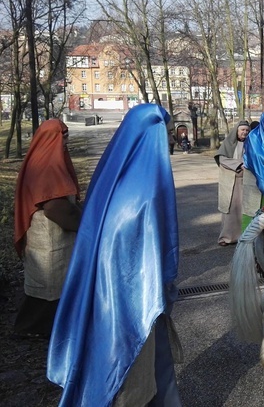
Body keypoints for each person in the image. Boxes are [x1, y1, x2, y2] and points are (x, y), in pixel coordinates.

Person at [48, 104, 182, 406]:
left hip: (104, 297)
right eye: (167, 134)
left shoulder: (112, 177)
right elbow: (150, 257)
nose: (171, 141)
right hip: (133, 303)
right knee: (135, 375)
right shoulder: (144, 192)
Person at [13, 119, 82, 339]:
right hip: (50, 239)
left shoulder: (41, 159)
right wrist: (84, 224)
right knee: (50, 290)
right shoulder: (49, 167)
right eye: (63, 136)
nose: (66, 141)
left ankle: (34, 329)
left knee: (45, 289)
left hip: (47, 240)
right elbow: (55, 208)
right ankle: (33, 331)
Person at [216, 120, 251, 246]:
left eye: (247, 130)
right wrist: (239, 164)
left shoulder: (250, 143)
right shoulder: (228, 143)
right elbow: (222, 158)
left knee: (245, 209)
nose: (245, 132)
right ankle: (226, 238)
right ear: (237, 130)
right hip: (231, 181)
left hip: (247, 181)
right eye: (242, 130)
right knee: (231, 209)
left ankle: (243, 236)